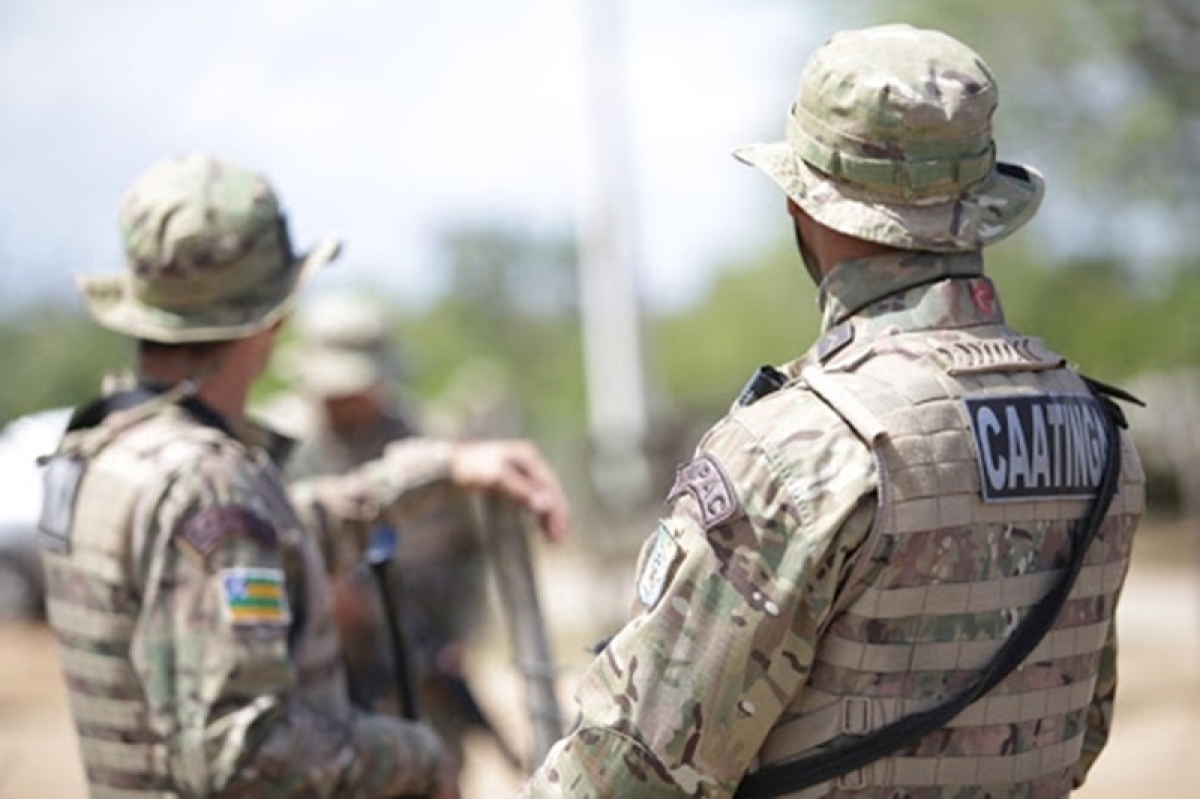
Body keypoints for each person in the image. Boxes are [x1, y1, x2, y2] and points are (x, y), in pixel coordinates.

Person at [522, 24, 1145, 798]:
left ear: (803, 205)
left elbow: (631, 771)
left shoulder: (802, 448)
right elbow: (1077, 730)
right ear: (984, 205)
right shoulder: (1099, 433)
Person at [37, 152, 569, 798]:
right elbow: (247, 755)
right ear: (276, 314)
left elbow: (277, 534)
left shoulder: (101, 450)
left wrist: (443, 467)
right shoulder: (207, 484)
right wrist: (417, 753)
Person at [281, 292, 509, 785]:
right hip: (315, 685)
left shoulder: (425, 445)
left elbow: (469, 552)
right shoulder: (277, 447)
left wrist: (458, 637)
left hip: (416, 670)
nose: (349, 400)